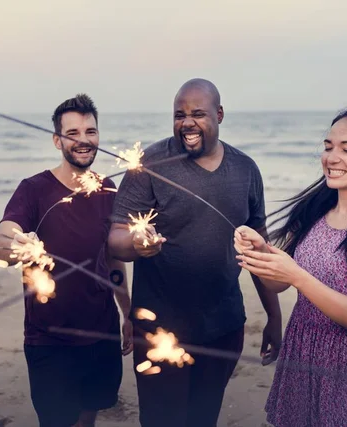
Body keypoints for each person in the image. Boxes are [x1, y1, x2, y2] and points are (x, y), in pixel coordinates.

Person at [108, 78, 283, 427]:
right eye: (179, 115)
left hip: (223, 325)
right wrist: (138, 244)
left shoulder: (245, 170)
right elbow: (115, 240)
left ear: (219, 115)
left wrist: (274, 318)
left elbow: (259, 249)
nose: (187, 122)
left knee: (203, 419)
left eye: (198, 113)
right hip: (160, 328)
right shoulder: (149, 164)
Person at [234, 104, 347, 426]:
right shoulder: (314, 209)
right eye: (329, 147)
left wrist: (298, 276)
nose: (332, 158)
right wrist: (259, 254)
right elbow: (278, 282)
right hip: (301, 351)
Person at [0, 93, 133, 427]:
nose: (83, 140)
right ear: (58, 140)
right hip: (49, 338)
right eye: (73, 133)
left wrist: (127, 311)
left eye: (90, 131)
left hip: (102, 332)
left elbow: (112, 260)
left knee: (88, 418)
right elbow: (0, 241)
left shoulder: (108, 189)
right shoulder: (33, 190)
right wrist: (14, 245)